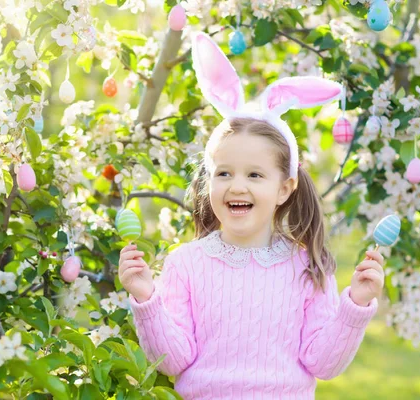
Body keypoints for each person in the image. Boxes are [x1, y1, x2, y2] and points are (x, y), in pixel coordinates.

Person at [118, 32, 385, 399]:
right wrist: (147, 298)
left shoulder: (307, 266)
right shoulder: (186, 264)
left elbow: (323, 363)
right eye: (223, 173)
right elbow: (173, 361)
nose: (237, 186)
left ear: (284, 188)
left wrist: (354, 305)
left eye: (254, 175)